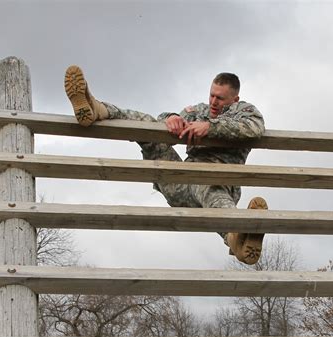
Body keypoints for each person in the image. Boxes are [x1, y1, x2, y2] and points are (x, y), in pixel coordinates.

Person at [64, 65, 268, 265]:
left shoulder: (244, 111)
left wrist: (210, 127)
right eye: (211, 95)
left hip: (217, 185)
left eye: (220, 98)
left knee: (207, 186)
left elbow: (254, 128)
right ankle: (98, 109)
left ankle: (238, 239)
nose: (213, 102)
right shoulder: (199, 111)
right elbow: (165, 119)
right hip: (180, 184)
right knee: (148, 126)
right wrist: (171, 118)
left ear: (235, 99)